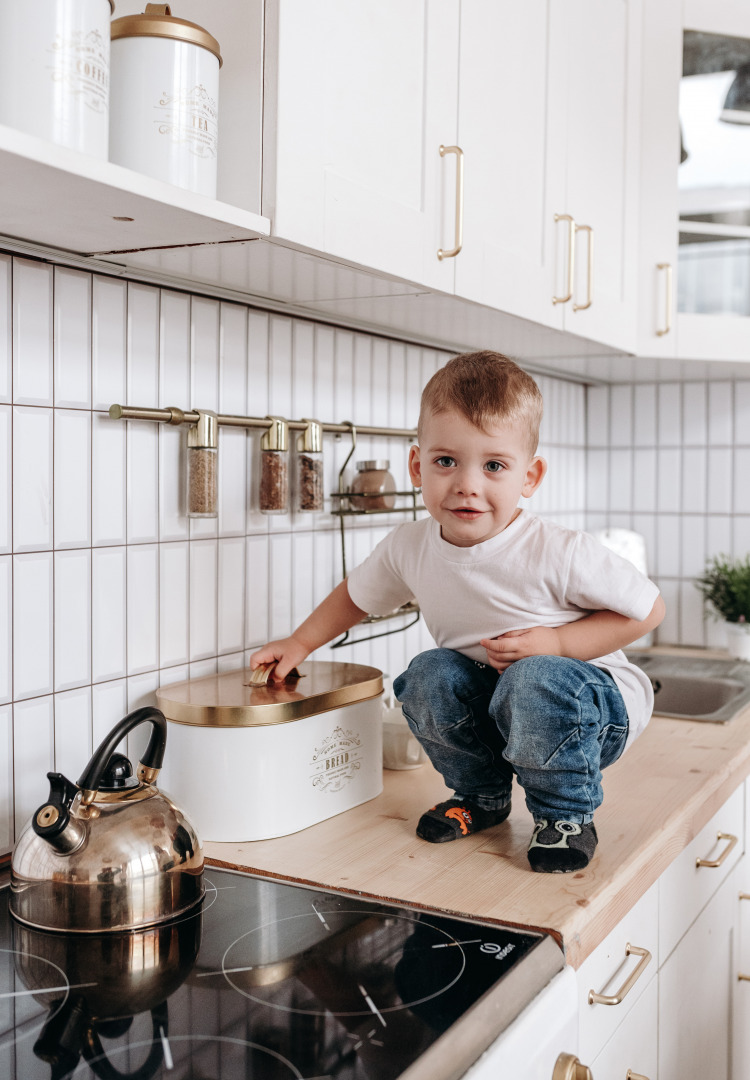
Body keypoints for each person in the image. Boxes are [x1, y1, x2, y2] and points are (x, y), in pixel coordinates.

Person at [250, 351, 665, 873]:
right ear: (417, 466)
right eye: (447, 461)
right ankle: (481, 798)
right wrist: (300, 642)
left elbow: (649, 609)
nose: (468, 484)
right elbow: (357, 595)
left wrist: (557, 644)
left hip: (595, 711)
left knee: (533, 677)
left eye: (494, 466)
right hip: (505, 706)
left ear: (530, 476)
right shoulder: (410, 545)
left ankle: (565, 816)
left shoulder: (558, 550)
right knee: (428, 672)